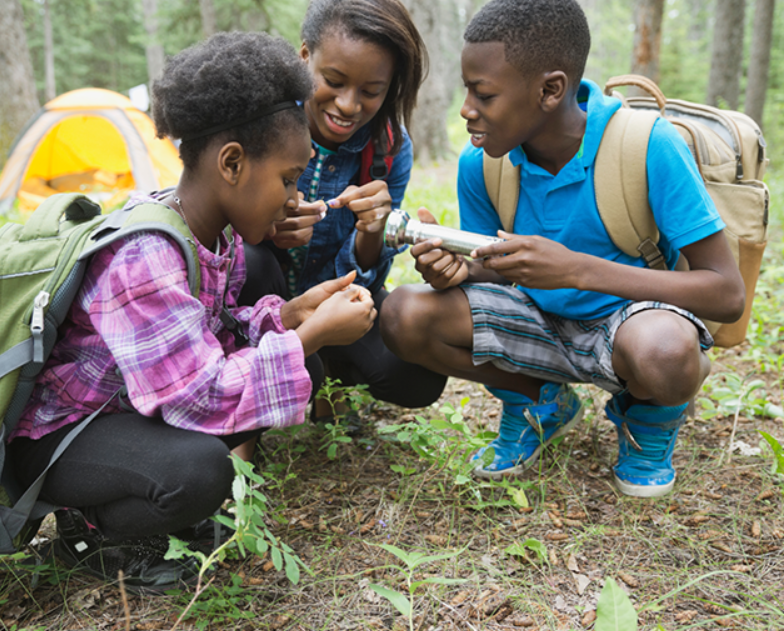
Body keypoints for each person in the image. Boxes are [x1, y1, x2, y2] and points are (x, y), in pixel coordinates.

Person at [7, 31, 376, 591]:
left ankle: (129, 513)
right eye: (288, 179)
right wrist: (305, 342)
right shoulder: (145, 255)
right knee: (200, 470)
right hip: (57, 437)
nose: (295, 199)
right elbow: (198, 394)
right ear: (232, 163)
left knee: (290, 378)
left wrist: (294, 315)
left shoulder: (209, 236)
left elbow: (213, 334)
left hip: (118, 413)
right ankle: (89, 536)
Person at [380, 0, 745, 498]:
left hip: (630, 324)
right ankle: (538, 401)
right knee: (404, 313)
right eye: (468, 90)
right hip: (537, 319)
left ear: (550, 90)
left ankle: (648, 420)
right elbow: (498, 274)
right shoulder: (483, 163)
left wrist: (577, 271)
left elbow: (726, 293)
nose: (467, 109)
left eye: (483, 94)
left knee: (665, 351)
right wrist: (461, 272)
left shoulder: (648, 146)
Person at [240, 0, 447, 419]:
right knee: (250, 259)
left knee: (416, 377)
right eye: (333, 81)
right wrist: (264, 225)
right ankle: (280, 375)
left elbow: (366, 279)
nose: (349, 105)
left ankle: (331, 369)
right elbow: (214, 236)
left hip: (336, 291)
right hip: (261, 302)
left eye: (371, 91)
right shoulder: (260, 121)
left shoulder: (389, 148)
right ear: (304, 59)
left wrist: (373, 231)